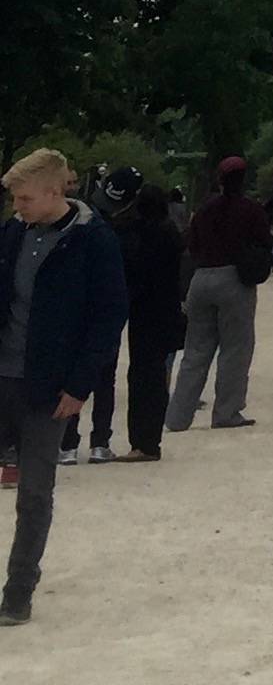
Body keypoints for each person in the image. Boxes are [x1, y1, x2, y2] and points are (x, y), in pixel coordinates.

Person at [0, 152, 129, 627]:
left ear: (56, 192)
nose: (18, 206)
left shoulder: (94, 241)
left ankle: (18, 591)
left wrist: (79, 385)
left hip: (48, 387)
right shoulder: (13, 231)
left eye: (25, 198)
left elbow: (108, 316)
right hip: (1, 374)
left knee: (34, 492)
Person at [167, 157, 273, 433]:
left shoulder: (205, 208)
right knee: (235, 349)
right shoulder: (250, 209)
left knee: (195, 351)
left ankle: (178, 417)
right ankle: (227, 411)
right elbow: (265, 243)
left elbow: (192, 243)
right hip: (234, 279)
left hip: (201, 278)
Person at [91, 167, 182, 464]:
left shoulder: (139, 236)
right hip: (166, 309)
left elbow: (134, 274)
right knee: (155, 375)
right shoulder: (170, 232)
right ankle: (148, 440)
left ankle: (143, 443)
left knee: (143, 376)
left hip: (147, 311)